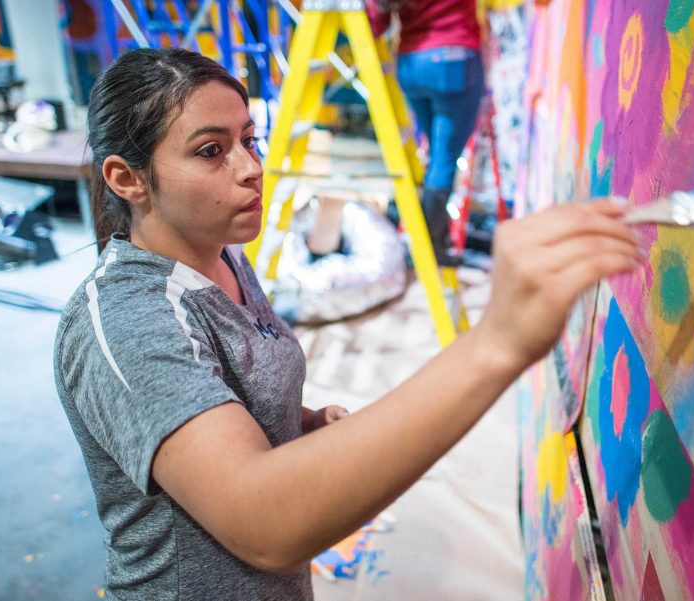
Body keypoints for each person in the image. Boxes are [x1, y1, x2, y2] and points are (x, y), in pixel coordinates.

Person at [54, 47, 639, 600]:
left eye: (248, 141)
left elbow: (225, 399)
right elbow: (262, 522)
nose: (251, 168)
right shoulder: (128, 320)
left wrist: (299, 425)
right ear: (127, 179)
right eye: (211, 151)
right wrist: (498, 343)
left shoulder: (221, 252)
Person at [366, 0, 485, 265]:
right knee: (443, 160)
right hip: (453, 60)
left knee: (436, 157)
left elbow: (376, 22)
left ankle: (428, 237)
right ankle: (432, 247)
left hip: (412, 64)